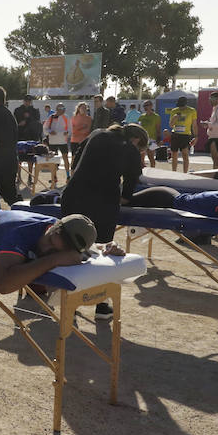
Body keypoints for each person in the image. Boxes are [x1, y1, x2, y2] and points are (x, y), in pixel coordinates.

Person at [58, 123, 148, 319]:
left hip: (74, 196)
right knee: (104, 252)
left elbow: (75, 164)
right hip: (102, 203)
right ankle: (101, 305)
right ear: (137, 141)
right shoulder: (129, 148)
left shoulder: (97, 134)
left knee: (71, 249)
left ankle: (68, 307)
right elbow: (132, 179)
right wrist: (124, 199)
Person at [43, 103, 72, 181]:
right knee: (53, 159)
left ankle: (68, 176)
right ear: (56, 109)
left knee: (65, 158)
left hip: (63, 141)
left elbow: (70, 129)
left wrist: (67, 133)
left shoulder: (66, 117)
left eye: (62, 109)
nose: (61, 111)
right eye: (59, 109)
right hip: (53, 141)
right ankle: (54, 177)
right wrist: (50, 132)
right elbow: (45, 128)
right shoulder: (51, 117)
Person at [167, 96, 196, 172]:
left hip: (186, 135)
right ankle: (174, 172)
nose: (181, 107)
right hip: (175, 134)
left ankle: (185, 173)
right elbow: (170, 125)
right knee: (174, 155)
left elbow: (194, 124)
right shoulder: (174, 111)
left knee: (185, 154)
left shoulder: (191, 110)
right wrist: (174, 118)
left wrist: (196, 136)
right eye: (179, 106)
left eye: (182, 106)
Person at [136, 100, 161, 167]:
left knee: (151, 156)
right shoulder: (141, 117)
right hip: (142, 138)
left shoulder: (156, 116)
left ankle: (152, 171)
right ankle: (142, 172)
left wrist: (158, 138)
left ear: (151, 106)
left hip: (152, 139)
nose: (145, 107)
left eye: (147, 105)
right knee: (141, 157)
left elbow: (158, 128)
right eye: (144, 106)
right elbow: (139, 127)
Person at [70, 101, 93, 165]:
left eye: (85, 108)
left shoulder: (89, 119)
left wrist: (78, 129)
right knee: (74, 158)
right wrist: (82, 127)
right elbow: (72, 131)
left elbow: (87, 131)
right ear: (78, 108)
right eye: (82, 108)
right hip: (74, 141)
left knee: (83, 158)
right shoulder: (74, 118)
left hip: (84, 141)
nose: (84, 109)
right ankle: (72, 173)